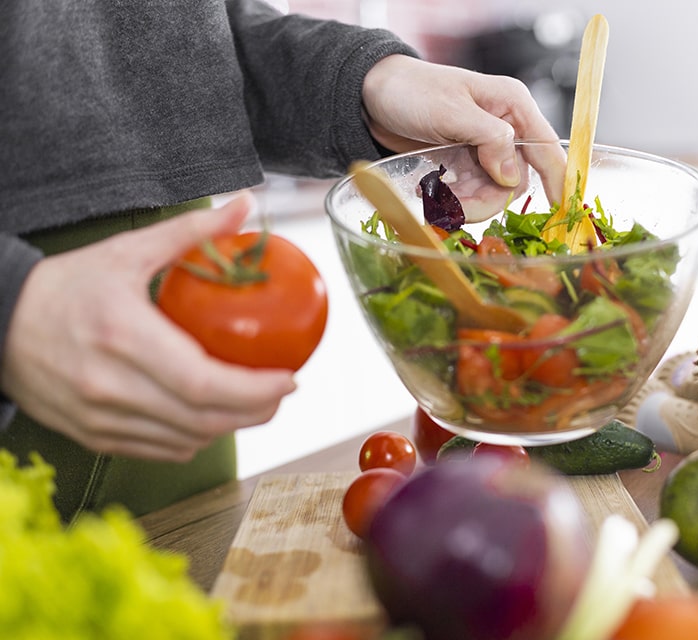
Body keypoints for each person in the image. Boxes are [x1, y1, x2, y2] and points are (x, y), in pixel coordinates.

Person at [0, 0, 565, 522]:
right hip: (32, 318)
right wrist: (11, 300)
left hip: (191, 299)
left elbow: (186, 32)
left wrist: (370, 79)